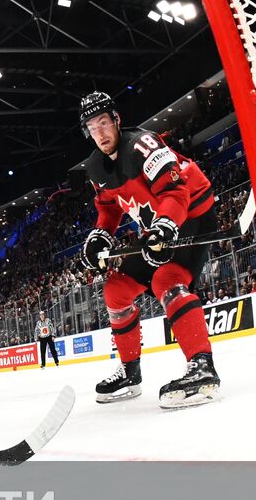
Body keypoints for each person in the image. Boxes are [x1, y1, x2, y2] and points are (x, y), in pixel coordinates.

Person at [76, 91, 221, 408]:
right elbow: (109, 208)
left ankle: (202, 368)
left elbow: (176, 191)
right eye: (92, 126)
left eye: (104, 122)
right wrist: (101, 234)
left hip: (193, 213)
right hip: (160, 225)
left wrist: (166, 227)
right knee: (116, 290)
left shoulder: (144, 144)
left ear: (116, 121)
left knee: (166, 281)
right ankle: (130, 371)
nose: (100, 132)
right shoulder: (95, 168)